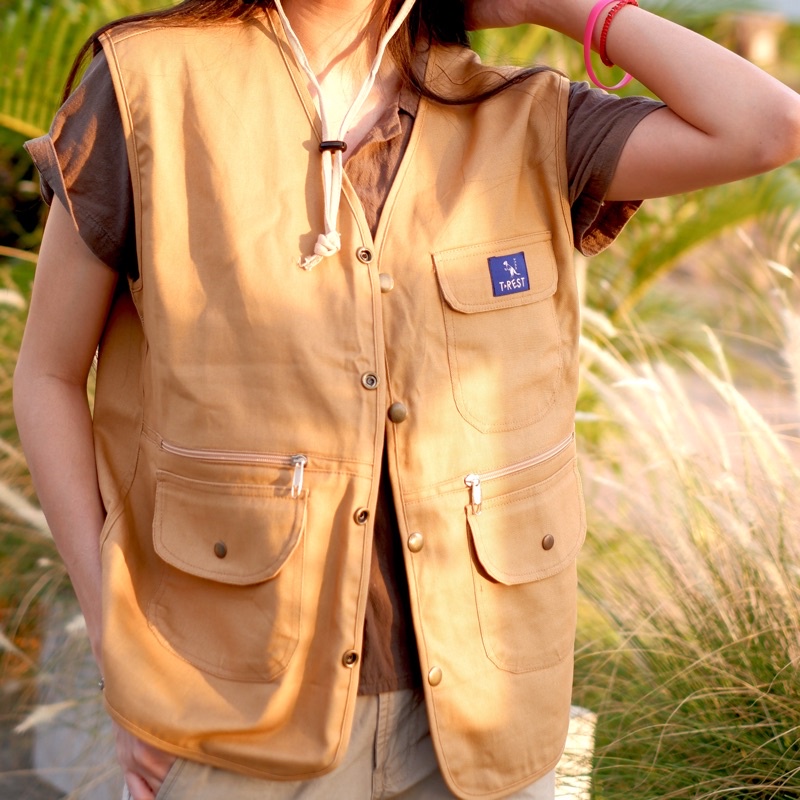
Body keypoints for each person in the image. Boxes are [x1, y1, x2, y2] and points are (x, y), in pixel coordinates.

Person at [13, 0, 800, 798]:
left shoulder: (522, 116)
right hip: (226, 716)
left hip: (485, 721)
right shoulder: (149, 84)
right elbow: (48, 376)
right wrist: (116, 646)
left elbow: (766, 127)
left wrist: (553, 6)